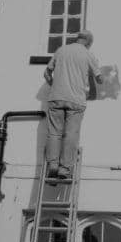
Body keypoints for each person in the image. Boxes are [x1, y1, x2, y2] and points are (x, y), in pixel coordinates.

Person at [44, 30, 103, 179]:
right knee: (71, 134)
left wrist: (54, 85)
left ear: (77, 39)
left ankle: (52, 164)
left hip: (56, 97)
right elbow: (100, 78)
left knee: (54, 133)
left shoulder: (61, 50)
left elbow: (46, 73)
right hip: (76, 100)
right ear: (89, 43)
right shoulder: (88, 54)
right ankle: (64, 169)